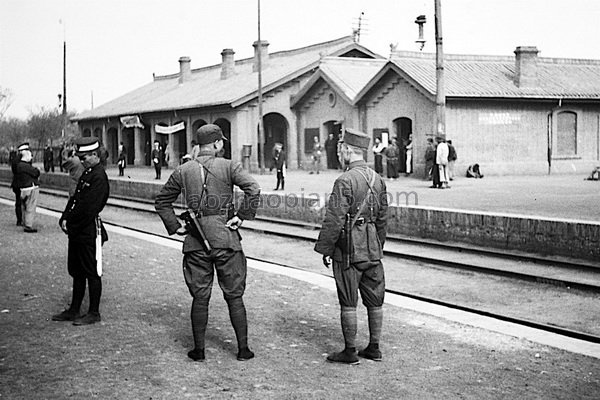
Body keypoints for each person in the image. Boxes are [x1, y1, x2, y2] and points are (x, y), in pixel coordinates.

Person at [155, 124, 261, 362]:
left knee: (200, 296)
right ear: (217, 144)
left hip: (195, 241)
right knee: (234, 296)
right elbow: (253, 189)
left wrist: (175, 226)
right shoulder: (230, 165)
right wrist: (241, 216)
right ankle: (243, 349)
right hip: (226, 239)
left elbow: (162, 201)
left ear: (198, 145)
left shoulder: (183, 170)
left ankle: (199, 350)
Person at [315, 128, 388, 365]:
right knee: (375, 299)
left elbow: (334, 218)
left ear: (347, 150)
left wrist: (326, 249)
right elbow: (383, 219)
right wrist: (378, 246)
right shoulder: (378, 179)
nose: (340, 153)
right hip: (372, 249)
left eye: (341, 149)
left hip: (349, 251)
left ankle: (349, 352)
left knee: (348, 301)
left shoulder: (345, 180)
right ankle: (374, 348)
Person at [53, 137, 110, 326]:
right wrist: (64, 217)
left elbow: (89, 208)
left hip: (88, 231)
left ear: (95, 155)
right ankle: (74, 309)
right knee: (77, 271)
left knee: (92, 271)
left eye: (84, 157)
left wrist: (72, 223)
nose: (82, 161)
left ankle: (94, 312)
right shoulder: (88, 173)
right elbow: (75, 199)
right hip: (79, 231)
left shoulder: (99, 177)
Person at [16, 147, 41, 233]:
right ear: (26, 156)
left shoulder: (19, 166)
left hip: (23, 189)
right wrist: (38, 170)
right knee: (30, 206)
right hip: (31, 188)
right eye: (30, 156)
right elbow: (36, 173)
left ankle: (24, 221)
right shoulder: (26, 166)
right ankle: (28, 225)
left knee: (24, 206)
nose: (31, 157)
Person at [9, 145, 23, 226]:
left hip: (16, 184)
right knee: (22, 202)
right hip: (22, 183)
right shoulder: (23, 160)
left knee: (18, 202)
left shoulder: (15, 160)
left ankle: (19, 220)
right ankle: (23, 219)